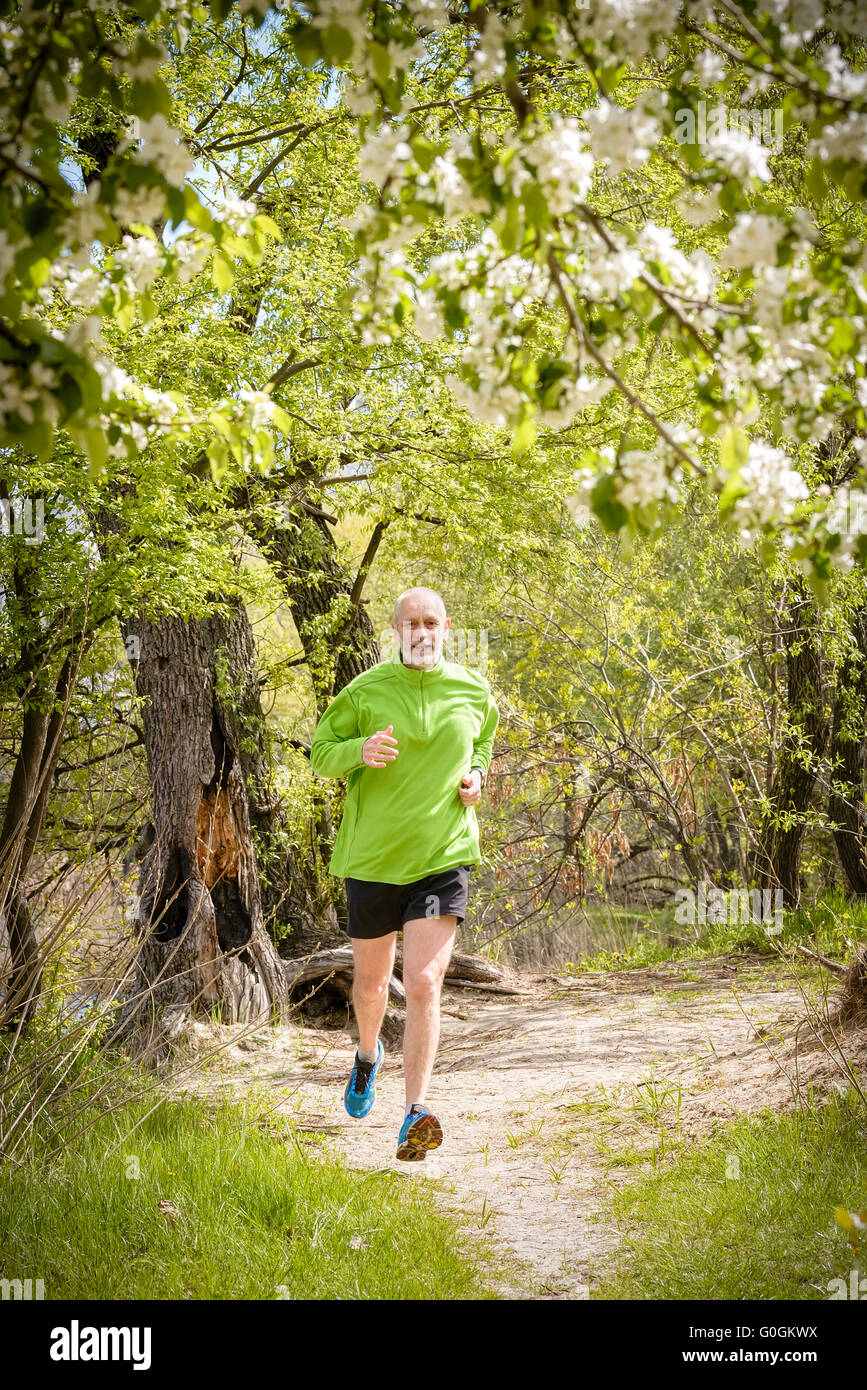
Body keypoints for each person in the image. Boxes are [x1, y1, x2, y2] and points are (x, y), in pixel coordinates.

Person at [309, 587, 499, 1160]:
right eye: (410, 623)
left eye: (431, 622)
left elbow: (484, 740)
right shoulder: (365, 691)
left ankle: (415, 1112)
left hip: (442, 860)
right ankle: (368, 1055)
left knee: (422, 982)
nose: (421, 631)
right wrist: (358, 750)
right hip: (372, 861)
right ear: (395, 630)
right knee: (370, 988)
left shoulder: (472, 688)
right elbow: (320, 753)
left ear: (446, 627)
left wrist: (477, 776)